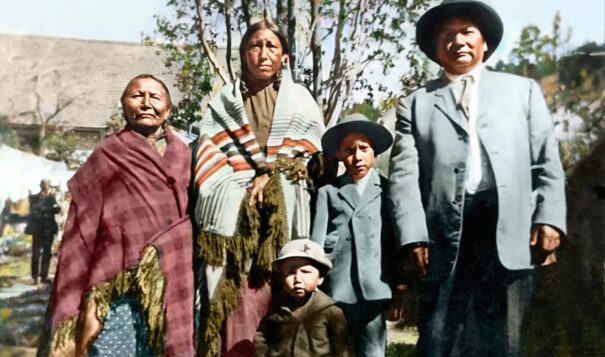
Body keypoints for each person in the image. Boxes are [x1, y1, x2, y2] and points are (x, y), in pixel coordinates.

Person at [388, 1, 567, 356]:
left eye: (468, 32)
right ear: (436, 48)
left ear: (485, 42)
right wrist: (412, 237)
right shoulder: (416, 104)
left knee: (506, 339)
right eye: (447, 35)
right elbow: (403, 177)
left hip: (509, 231)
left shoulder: (522, 90)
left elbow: (547, 158)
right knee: (439, 338)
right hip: (444, 236)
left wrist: (549, 217)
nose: (459, 41)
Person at [192, 20, 325, 357]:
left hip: (286, 221)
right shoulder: (224, 102)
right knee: (238, 302)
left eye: (271, 46)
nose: (263, 53)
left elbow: (311, 157)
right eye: (255, 45)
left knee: (285, 300)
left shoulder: (300, 101)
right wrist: (244, 188)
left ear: (284, 57)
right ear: (243, 53)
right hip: (234, 223)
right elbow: (209, 160)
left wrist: (274, 176)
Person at [41, 74, 195, 356]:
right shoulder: (106, 154)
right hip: (117, 283)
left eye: (155, 97)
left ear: (169, 110)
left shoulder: (186, 156)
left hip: (175, 279)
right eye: (137, 96)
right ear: (123, 105)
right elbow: (81, 228)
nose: (146, 103)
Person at [311, 113, 404, 356]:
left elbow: (394, 244)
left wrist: (398, 290)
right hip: (338, 286)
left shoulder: (387, 190)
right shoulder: (328, 192)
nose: (357, 156)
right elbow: (317, 243)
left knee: (372, 350)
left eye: (364, 148)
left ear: (374, 152)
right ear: (340, 155)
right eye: (349, 150)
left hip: (375, 287)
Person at [254, 239, 352, 356]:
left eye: (305, 272)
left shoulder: (331, 311)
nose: (298, 279)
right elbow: (262, 337)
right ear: (280, 278)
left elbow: (342, 350)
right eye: (290, 272)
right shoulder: (278, 308)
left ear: (320, 279)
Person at [26, 179, 60, 285]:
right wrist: (49, 209)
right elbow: (35, 211)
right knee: (36, 254)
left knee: (47, 254)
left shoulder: (51, 198)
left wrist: (50, 207)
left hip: (49, 230)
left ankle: (44, 277)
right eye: (45, 185)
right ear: (41, 186)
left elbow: (58, 209)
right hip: (38, 230)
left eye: (49, 185)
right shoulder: (34, 198)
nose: (47, 187)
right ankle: (35, 277)